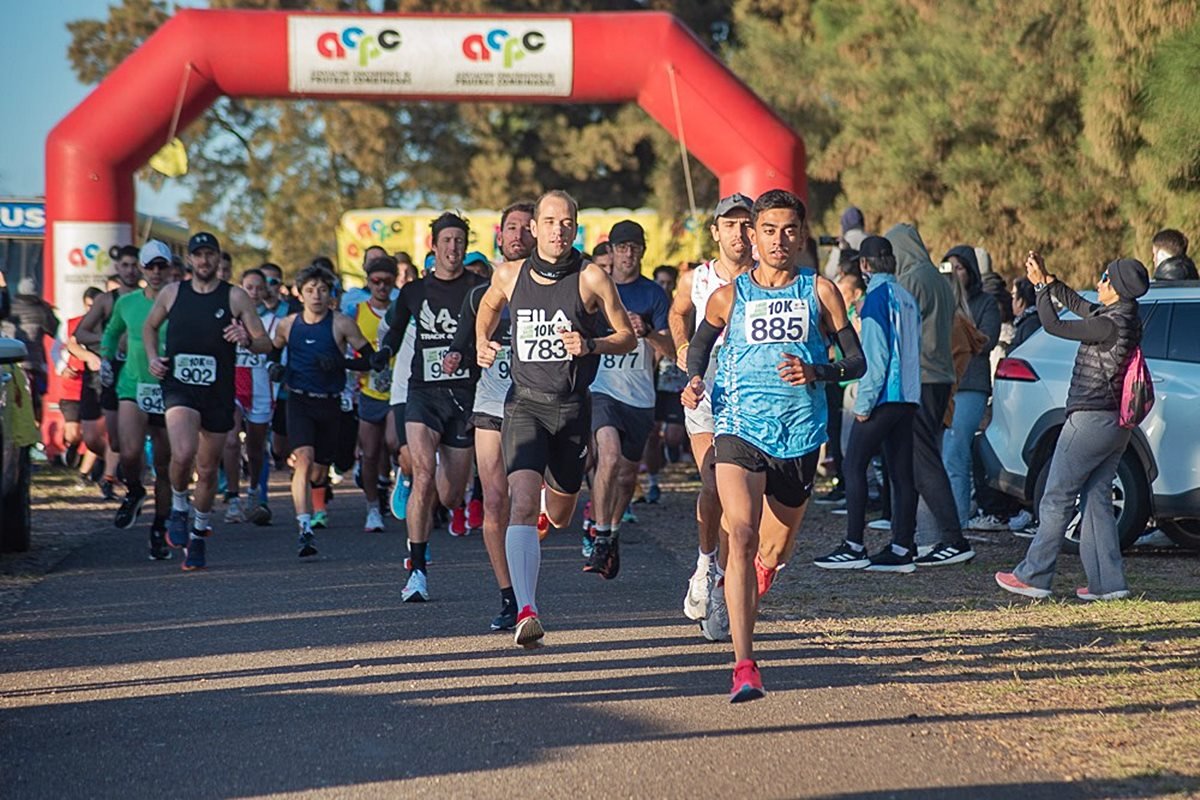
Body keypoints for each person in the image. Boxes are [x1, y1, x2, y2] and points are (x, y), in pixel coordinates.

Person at [682, 189, 864, 702]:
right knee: (739, 533)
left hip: (800, 434)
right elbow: (698, 349)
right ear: (753, 237)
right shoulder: (729, 296)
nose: (778, 240)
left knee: (773, 548)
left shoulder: (821, 291)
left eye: (789, 231)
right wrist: (695, 380)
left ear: (802, 236)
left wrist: (817, 370)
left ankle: (751, 580)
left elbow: (857, 363)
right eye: (768, 230)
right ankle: (745, 665)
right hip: (738, 428)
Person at [475, 189, 636, 647]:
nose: (558, 230)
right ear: (534, 227)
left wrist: (593, 345)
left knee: (561, 515)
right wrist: (480, 343)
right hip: (524, 404)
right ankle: (526, 609)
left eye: (566, 222)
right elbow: (487, 307)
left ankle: (554, 509)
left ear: (575, 227)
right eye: (549, 222)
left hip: (571, 409)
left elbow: (626, 336)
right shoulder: (509, 275)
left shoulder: (591, 278)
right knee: (519, 500)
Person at [996, 254, 1148, 601]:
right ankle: (1108, 584)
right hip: (1115, 425)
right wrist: (1049, 281)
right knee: (1096, 499)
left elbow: (1054, 326)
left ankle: (1034, 575)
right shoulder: (1121, 317)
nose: (1098, 283)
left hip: (1089, 420)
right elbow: (1080, 305)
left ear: (1118, 287)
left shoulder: (1110, 324)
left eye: (1104, 279)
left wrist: (1038, 289)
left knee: (1056, 496)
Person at [144, 232, 273, 571]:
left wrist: (246, 338)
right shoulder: (173, 292)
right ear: (189, 260)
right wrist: (153, 357)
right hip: (179, 387)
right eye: (197, 255)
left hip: (217, 392)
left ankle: (199, 532)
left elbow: (265, 344)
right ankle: (178, 506)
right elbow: (149, 327)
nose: (203, 261)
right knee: (183, 453)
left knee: (206, 468)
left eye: (209, 255)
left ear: (219, 260)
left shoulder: (235, 297)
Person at [374, 212, 486, 602]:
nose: (453, 248)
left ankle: (425, 490)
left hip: (463, 397)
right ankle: (417, 571)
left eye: (460, 241)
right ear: (433, 246)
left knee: (452, 495)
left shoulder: (479, 289)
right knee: (423, 474)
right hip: (423, 392)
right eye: (447, 241)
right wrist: (381, 354)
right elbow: (394, 328)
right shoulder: (414, 292)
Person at [441, 200, 537, 631]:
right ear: (500, 236)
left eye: (524, 227)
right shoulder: (481, 294)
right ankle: (510, 596)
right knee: (497, 501)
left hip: (539, 408)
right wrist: (459, 354)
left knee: (536, 505)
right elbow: (462, 345)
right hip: (490, 408)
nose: (517, 235)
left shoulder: (553, 288)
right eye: (510, 228)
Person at [669, 193, 754, 640]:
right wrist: (684, 348)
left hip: (750, 402)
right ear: (715, 231)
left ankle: (723, 583)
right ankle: (705, 567)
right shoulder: (697, 279)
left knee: (742, 503)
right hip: (703, 397)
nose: (739, 233)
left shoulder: (767, 280)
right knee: (712, 483)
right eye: (731, 225)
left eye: (746, 224)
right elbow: (677, 312)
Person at [813, 236, 920, 572]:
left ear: (865, 265)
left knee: (854, 464)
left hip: (883, 395)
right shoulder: (906, 296)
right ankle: (903, 546)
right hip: (908, 397)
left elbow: (876, 356)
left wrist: (864, 402)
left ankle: (854, 545)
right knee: (902, 474)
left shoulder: (874, 298)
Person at [585, 220, 672, 578]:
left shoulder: (653, 295)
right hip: (602, 389)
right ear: (612, 251)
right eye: (622, 247)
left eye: (634, 246)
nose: (628, 253)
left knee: (625, 476)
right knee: (607, 455)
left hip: (639, 395)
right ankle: (600, 535)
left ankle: (613, 531)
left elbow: (670, 349)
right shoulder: (596, 290)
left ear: (642, 250)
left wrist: (648, 332)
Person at [886, 224, 975, 566]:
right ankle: (904, 540)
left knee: (923, 462)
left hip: (918, 376)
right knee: (915, 460)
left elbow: (897, 331)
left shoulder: (910, 280)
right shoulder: (939, 279)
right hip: (940, 376)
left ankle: (953, 538)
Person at [272, 263, 374, 557]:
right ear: (300, 294)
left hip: (330, 402)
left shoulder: (341, 323)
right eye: (310, 290)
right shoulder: (288, 324)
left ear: (330, 294)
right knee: (303, 460)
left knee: (320, 469)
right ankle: (304, 527)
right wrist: (274, 367)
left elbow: (369, 360)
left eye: (322, 289)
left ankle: (321, 486)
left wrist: (341, 363)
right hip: (299, 400)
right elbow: (274, 350)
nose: (316, 295)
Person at [101, 240, 175, 558]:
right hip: (133, 385)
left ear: (170, 268)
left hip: (171, 389)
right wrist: (105, 359)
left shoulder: (181, 302)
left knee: (165, 465)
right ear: (143, 270)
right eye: (151, 266)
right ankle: (133, 490)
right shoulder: (127, 303)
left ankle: (159, 528)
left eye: (162, 266)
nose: (156, 272)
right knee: (128, 451)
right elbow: (110, 332)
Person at [71, 245, 142, 497]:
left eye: (135, 265)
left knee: (124, 434)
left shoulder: (149, 299)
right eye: (125, 265)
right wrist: (108, 343)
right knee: (92, 437)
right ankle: (117, 464)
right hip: (103, 372)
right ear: (118, 268)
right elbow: (80, 332)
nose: (130, 270)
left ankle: (111, 476)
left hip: (134, 373)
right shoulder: (105, 300)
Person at [941, 246, 1000, 529]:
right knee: (942, 452)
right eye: (948, 266)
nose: (953, 272)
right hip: (944, 385)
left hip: (971, 385)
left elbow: (986, 341)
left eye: (960, 267)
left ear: (971, 271)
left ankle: (958, 522)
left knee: (955, 451)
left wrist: (960, 328)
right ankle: (944, 519)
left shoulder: (985, 303)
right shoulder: (940, 301)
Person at [225, 268, 280, 525]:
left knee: (256, 449)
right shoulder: (227, 317)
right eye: (249, 287)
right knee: (232, 440)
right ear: (241, 289)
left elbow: (274, 351)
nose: (254, 293)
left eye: (259, 288)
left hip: (261, 386)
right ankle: (233, 499)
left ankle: (254, 491)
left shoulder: (274, 320)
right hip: (234, 383)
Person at [354, 255, 400, 533]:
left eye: (387, 281)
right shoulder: (357, 312)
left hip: (397, 390)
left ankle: (397, 483)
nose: (381, 287)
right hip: (369, 390)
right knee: (370, 453)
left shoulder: (400, 310)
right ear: (368, 282)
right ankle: (372, 507)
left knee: (395, 444)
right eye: (376, 281)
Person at [59, 288, 103, 481]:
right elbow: (60, 346)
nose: (91, 310)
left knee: (98, 435)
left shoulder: (111, 322)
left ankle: (89, 473)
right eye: (88, 306)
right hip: (73, 385)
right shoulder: (73, 324)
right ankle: (74, 447)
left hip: (97, 383)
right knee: (73, 434)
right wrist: (62, 367)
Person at [1009, 277, 1042, 351]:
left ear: (1020, 301)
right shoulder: (1033, 321)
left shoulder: (1030, 325)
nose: (1012, 300)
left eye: (1013, 295)